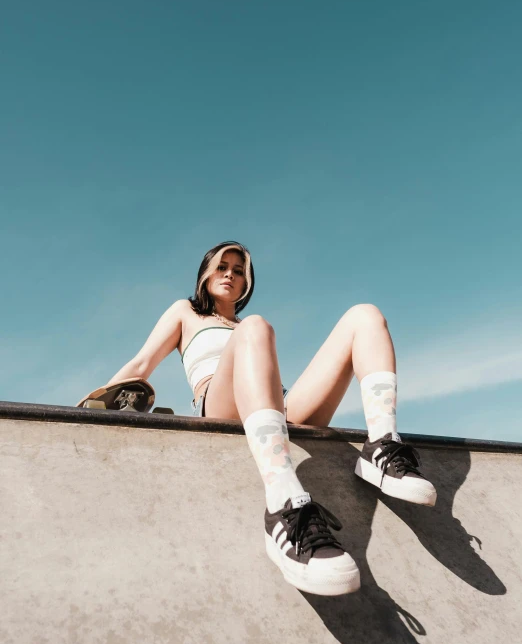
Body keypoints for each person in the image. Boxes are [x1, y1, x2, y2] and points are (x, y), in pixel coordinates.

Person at [106, 240, 436, 596]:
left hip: (281, 406)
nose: (230, 274)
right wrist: (92, 410)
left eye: (238, 270)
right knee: (257, 328)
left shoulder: (247, 324)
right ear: (205, 273)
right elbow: (141, 365)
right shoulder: (186, 312)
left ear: (247, 283)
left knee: (365, 315)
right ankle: (282, 505)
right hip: (219, 405)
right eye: (222, 266)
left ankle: (382, 447)